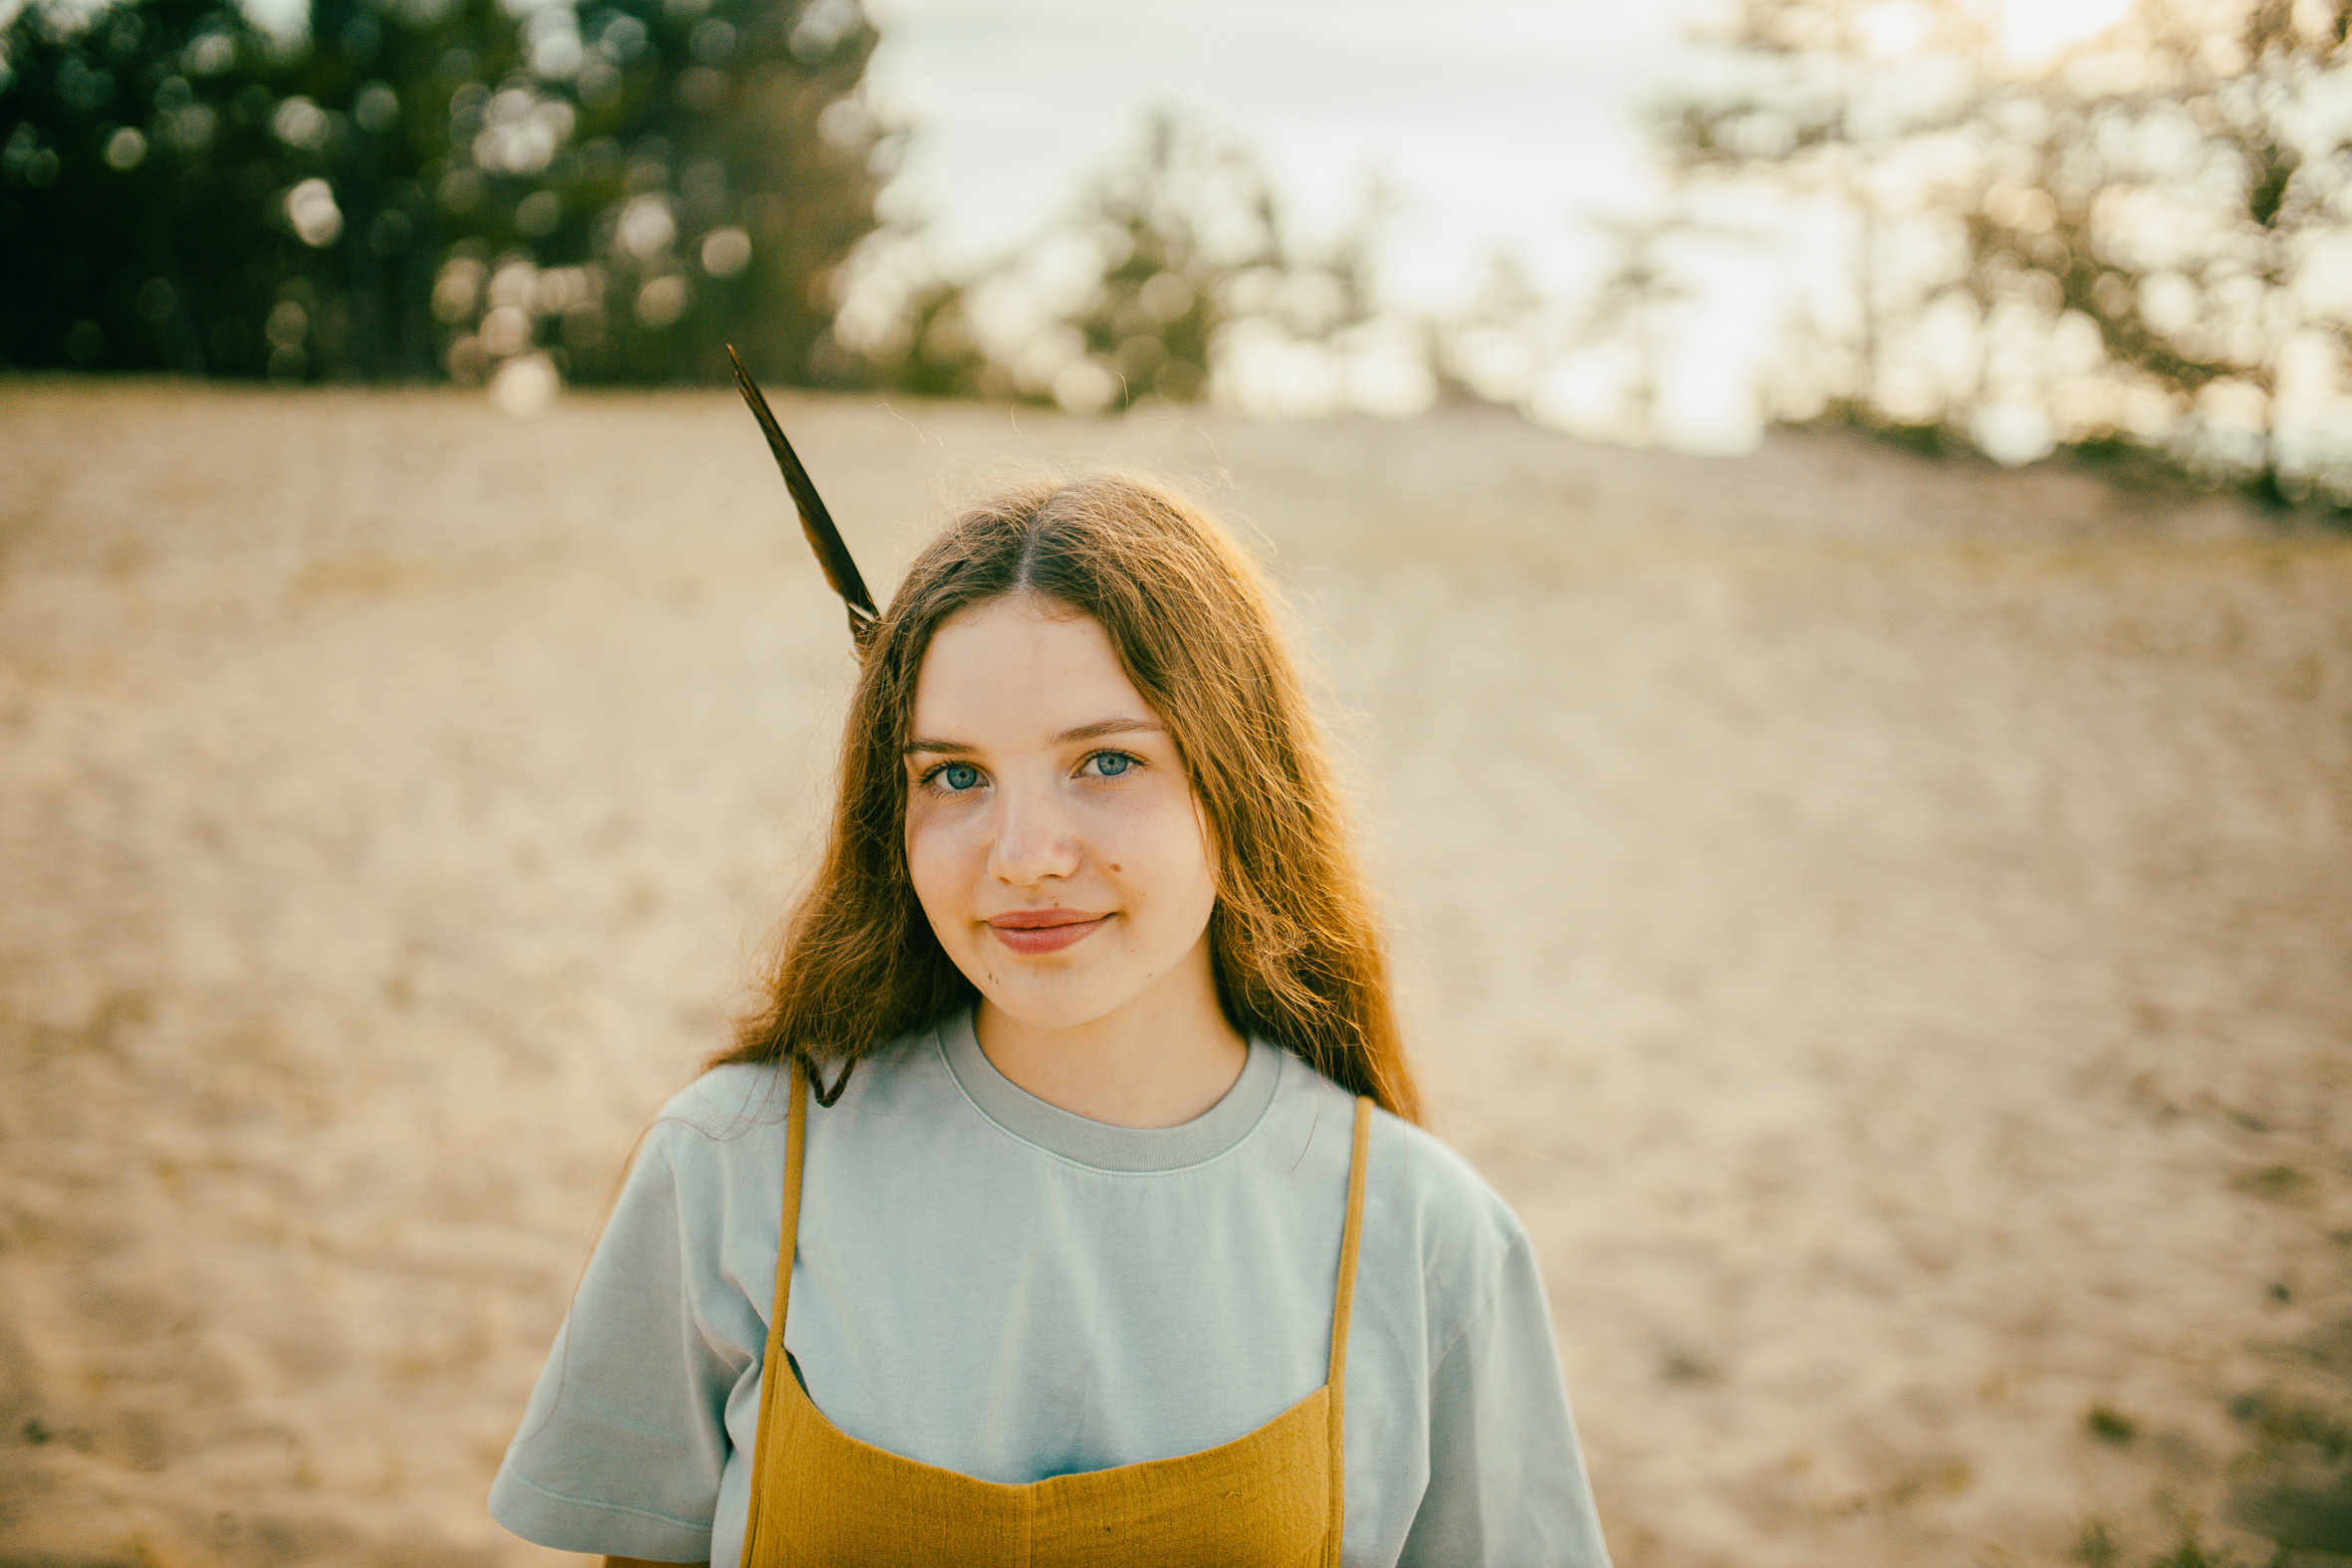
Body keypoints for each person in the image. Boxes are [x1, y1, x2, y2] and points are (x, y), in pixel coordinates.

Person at [487, 471, 1612, 1566]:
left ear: (1241, 780)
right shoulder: (732, 1164)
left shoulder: (1427, 1239)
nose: (1024, 856)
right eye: (954, 776)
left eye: (1106, 761)